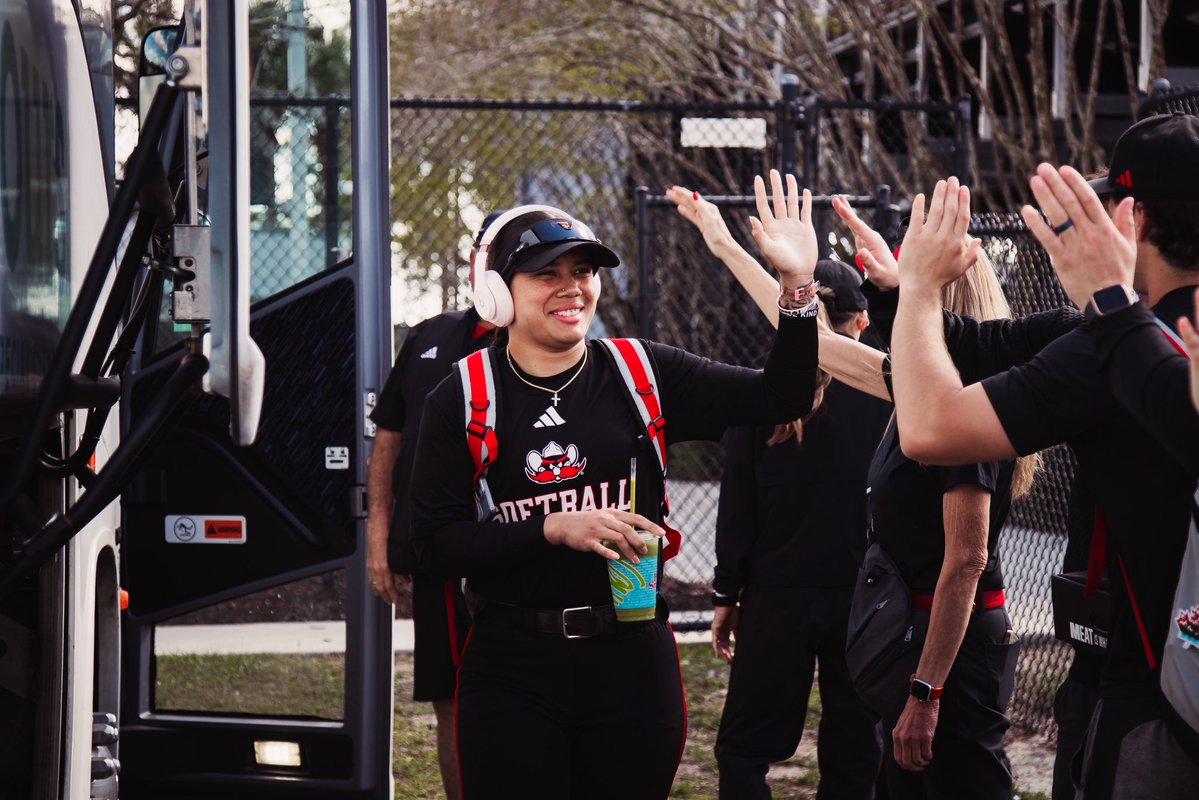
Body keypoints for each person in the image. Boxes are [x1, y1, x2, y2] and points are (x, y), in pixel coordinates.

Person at [408, 171, 820, 799]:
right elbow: (434, 545)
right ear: (496, 292)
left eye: (583, 271)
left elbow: (783, 395)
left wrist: (796, 286)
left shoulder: (642, 371)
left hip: (631, 660)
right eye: (546, 273)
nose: (571, 287)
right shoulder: (463, 395)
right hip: (513, 664)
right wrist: (551, 528)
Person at [670, 183, 1035, 799]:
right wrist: (735, 250)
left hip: (949, 647)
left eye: (907, 294)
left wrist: (926, 692)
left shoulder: (968, 403)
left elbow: (966, 562)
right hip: (910, 635)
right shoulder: (915, 384)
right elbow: (813, 342)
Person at [888, 114, 1199, 798]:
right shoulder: (1121, 339)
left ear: (1134, 218)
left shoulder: (1113, 347)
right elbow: (982, 348)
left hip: (1155, 711)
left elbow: (929, 428)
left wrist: (917, 287)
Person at [711, 259, 891, 799]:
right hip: (865, 592)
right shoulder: (890, 392)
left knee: (745, 747)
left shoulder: (763, 391)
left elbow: (738, 506)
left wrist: (728, 591)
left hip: (778, 594)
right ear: (862, 322)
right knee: (857, 743)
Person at [365, 211, 504, 800]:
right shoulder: (428, 336)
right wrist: (379, 537)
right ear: (477, 262)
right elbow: (389, 438)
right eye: (492, 252)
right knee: (453, 700)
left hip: (522, 555)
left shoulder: (557, 345)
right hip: (441, 557)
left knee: (527, 698)